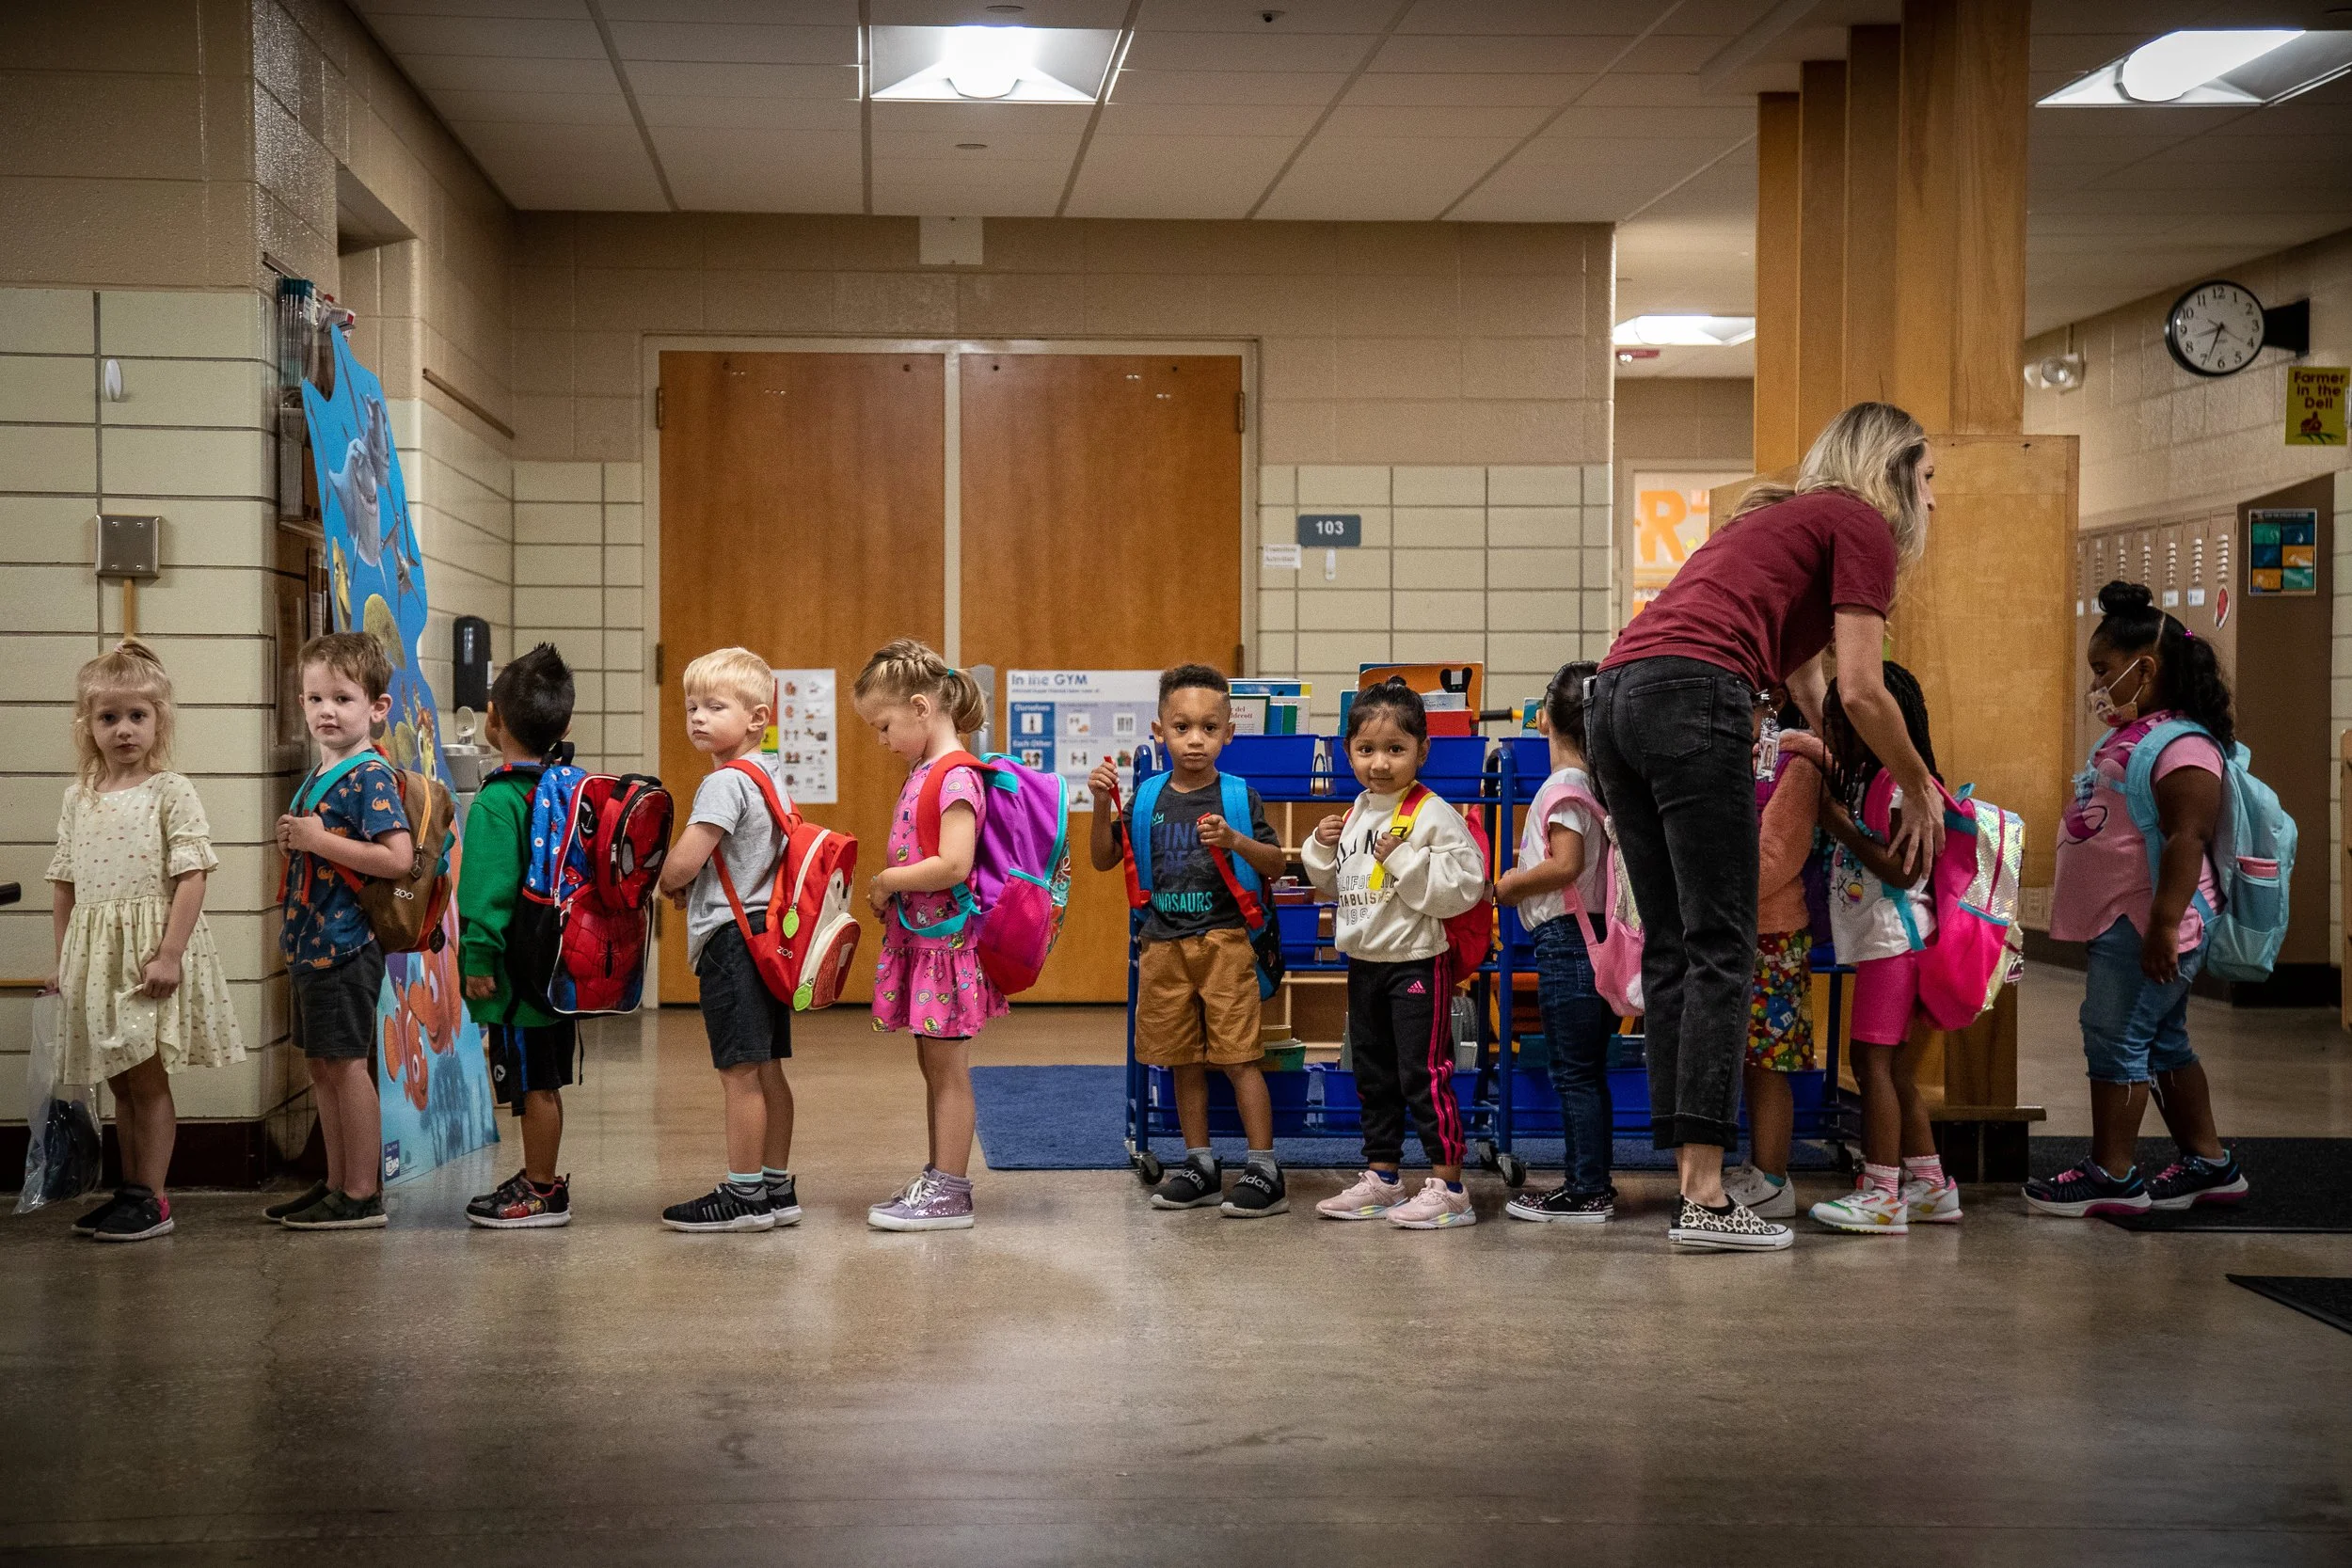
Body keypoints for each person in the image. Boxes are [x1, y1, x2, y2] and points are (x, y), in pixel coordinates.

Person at [1588, 400, 1943, 1253]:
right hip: (1694, 693)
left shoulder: (1781, 523)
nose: (1933, 499)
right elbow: (1863, 687)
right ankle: (1708, 1196)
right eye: (1928, 478)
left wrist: (1832, 754)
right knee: (1722, 944)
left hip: (1615, 695)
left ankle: (1691, 1181)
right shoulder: (1861, 522)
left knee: (1675, 946)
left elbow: (1810, 681)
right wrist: (1917, 784)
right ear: (1890, 470)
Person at [2026, 581, 2249, 1218]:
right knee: (2162, 1039)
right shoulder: (2139, 732)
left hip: (2150, 920)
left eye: (2104, 670)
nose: (2096, 684)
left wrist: (2163, 925)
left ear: (2144, 668)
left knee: (2116, 1034)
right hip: (2123, 918)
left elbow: (2187, 838)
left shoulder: (2184, 745)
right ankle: (2209, 1164)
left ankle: (2113, 1174)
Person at [44, 641, 245, 1242]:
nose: (124, 729)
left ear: (160, 721)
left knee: (148, 1077)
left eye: (137, 715)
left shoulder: (170, 790)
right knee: (120, 1079)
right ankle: (130, 1191)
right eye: (109, 717)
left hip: (148, 957)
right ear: (88, 725)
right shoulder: (78, 798)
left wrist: (170, 954)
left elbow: (192, 874)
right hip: (97, 959)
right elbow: (64, 884)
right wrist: (64, 962)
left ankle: (153, 1198)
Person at [1089, 664, 1290, 1217]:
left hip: (1225, 945)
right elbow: (1104, 859)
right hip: (1162, 946)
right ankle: (1199, 1165)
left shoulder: (1239, 795)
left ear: (1229, 733)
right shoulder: (1147, 797)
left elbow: (1276, 864)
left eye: (1209, 727)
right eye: (1182, 727)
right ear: (1160, 731)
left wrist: (1234, 839)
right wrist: (1102, 804)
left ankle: (1265, 1169)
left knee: (1241, 1058)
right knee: (1182, 1061)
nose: (1195, 739)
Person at [1304, 681, 1488, 1230]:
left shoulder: (1433, 813)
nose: (1379, 763)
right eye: (1366, 749)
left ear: (1421, 751)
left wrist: (1406, 860)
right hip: (1364, 963)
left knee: (1423, 1075)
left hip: (1416, 963)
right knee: (1374, 1076)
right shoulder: (1357, 812)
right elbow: (1333, 886)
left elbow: (1466, 886)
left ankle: (1450, 1187)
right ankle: (1383, 1178)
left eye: (1395, 749)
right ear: (1348, 752)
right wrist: (1320, 846)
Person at [853, 639, 1003, 1232]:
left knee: (948, 1072)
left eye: (884, 726)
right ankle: (939, 1177)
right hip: (925, 943)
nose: (881, 740)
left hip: (948, 949)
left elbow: (954, 864)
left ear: (920, 708)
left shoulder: (956, 775)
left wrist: (888, 880)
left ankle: (951, 1192)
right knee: (932, 1065)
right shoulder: (925, 772)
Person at [1807, 665, 1961, 1234]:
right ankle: (1929, 1185)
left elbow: (1903, 870)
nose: (1831, 734)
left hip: (1894, 941)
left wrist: (1840, 826)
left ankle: (1881, 1193)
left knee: (1870, 1065)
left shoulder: (1900, 787)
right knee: (1892, 1069)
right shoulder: (1872, 780)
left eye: (1840, 722)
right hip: (1886, 941)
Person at [653, 646, 801, 1234]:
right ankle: (775, 1186)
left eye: (715, 707)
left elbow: (685, 861)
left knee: (738, 1074)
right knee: (767, 1068)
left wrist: (664, 880)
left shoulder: (724, 783)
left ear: (758, 718)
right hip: (768, 938)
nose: (698, 717)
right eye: (692, 706)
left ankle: (743, 1195)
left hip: (733, 943)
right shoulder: (770, 776)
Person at [270, 631, 415, 1231]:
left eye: (342, 699)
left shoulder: (368, 775)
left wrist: (316, 839)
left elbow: (398, 858)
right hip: (311, 943)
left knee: (348, 1065)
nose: (326, 711)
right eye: (314, 699)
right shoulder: (323, 771)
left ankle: (361, 1190)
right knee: (323, 1067)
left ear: (377, 708)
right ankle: (334, 1182)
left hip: (346, 945)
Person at [459, 643, 580, 1229]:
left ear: (493, 719)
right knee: (544, 1079)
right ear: (564, 726)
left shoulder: (497, 800)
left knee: (535, 1084)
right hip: (561, 963)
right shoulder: (568, 788)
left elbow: (486, 891)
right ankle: (540, 1176)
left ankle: (542, 1190)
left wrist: (478, 957)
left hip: (517, 970)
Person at [1497, 661, 1621, 1225]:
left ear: (1544, 719)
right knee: (1587, 1071)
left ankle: (1585, 1188)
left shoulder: (1564, 787)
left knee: (1573, 1073)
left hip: (1568, 942)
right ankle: (1592, 1180)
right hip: (1590, 938)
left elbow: (1565, 865)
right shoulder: (1596, 784)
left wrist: (1510, 885)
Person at [1722, 713, 1826, 1220]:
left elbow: (1778, 853)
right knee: (1749, 1058)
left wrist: (1716, 895)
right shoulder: (1750, 757)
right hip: (1743, 926)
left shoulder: (1797, 764)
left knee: (1768, 1062)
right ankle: (1760, 1166)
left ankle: (1774, 1179)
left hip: (1774, 932)